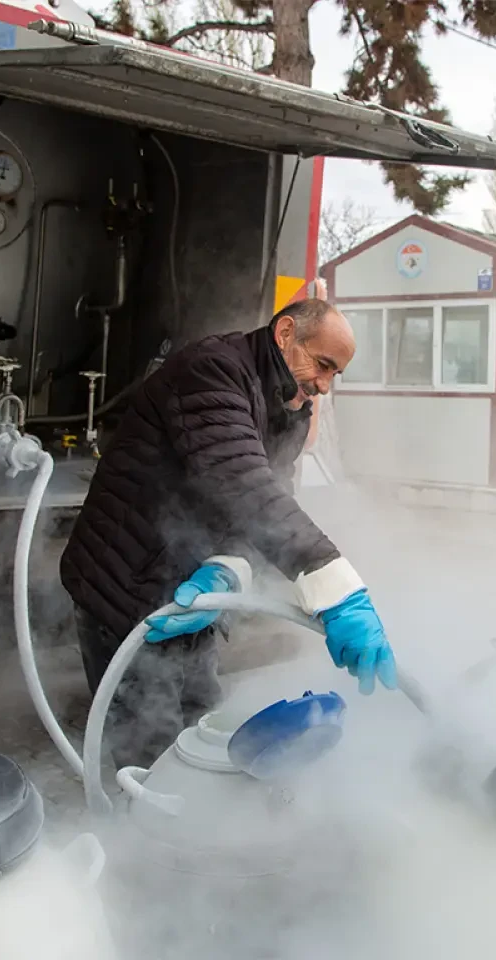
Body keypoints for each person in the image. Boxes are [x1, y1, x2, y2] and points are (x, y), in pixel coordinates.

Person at [60, 298, 397, 768]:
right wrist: (335, 588)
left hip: (193, 591)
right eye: (322, 365)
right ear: (285, 334)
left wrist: (229, 569)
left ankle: (190, 825)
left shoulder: (288, 404)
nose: (323, 386)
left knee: (203, 728)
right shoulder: (211, 372)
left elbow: (272, 494)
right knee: (145, 748)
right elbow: (242, 483)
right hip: (124, 585)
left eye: (333, 375)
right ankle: (132, 830)